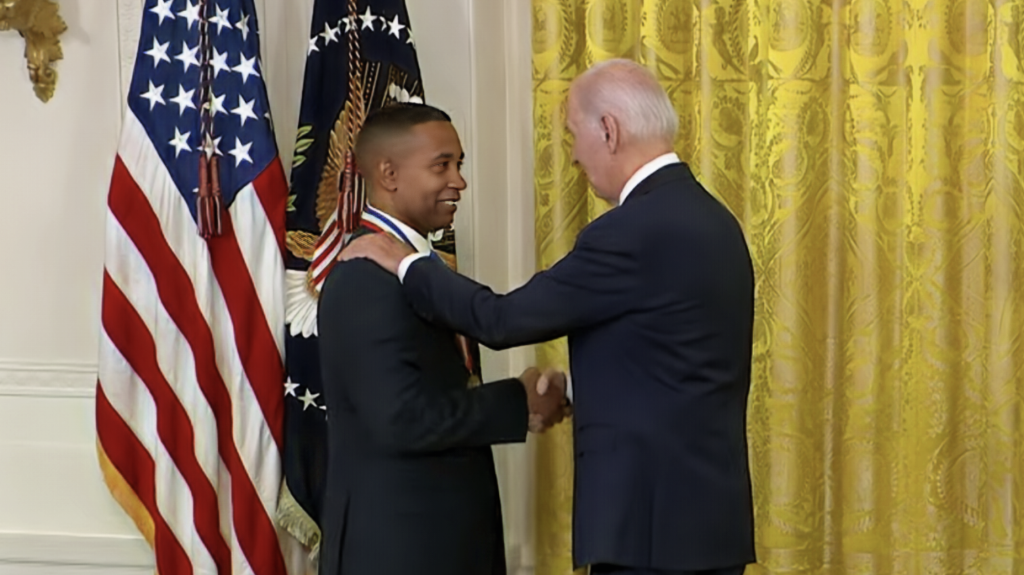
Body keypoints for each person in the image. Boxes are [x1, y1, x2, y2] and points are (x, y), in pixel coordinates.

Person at [340, 60, 756, 575]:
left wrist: (406, 261)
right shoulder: (714, 221)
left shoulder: (631, 231)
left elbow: (501, 320)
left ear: (608, 130)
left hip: (648, 533)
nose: (575, 156)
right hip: (709, 529)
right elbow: (672, 363)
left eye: (573, 134)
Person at [316, 103, 568, 575]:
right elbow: (400, 418)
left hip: (440, 545)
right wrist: (519, 402)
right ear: (388, 173)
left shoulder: (417, 269)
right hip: (398, 551)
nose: (459, 181)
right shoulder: (363, 277)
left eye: (460, 165)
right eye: (442, 165)